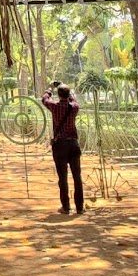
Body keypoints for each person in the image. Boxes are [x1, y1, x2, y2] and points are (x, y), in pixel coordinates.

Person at [42, 81, 84, 216]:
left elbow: (44, 99)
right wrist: (65, 87)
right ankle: (79, 207)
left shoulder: (54, 107)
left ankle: (66, 207)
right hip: (73, 145)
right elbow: (74, 99)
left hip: (60, 145)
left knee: (63, 178)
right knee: (77, 177)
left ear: (58, 95)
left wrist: (49, 89)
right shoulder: (75, 108)